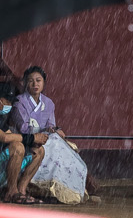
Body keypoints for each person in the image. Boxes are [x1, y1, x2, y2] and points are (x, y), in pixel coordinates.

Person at [13, 66, 94, 204]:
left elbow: (51, 124)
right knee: (55, 144)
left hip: (47, 138)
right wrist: (43, 129)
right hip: (28, 140)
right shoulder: (20, 102)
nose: (35, 84)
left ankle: (74, 189)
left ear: (44, 82)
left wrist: (54, 129)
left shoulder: (48, 103)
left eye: (38, 80)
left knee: (60, 142)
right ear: (26, 83)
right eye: (31, 81)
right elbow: (23, 128)